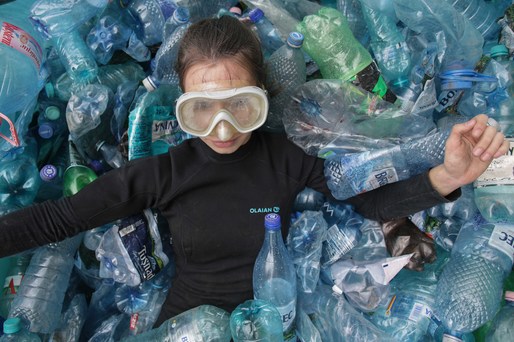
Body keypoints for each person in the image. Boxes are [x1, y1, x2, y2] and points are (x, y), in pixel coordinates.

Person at [0, 16, 509, 327]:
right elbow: (57, 220)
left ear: (263, 99)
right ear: (182, 107)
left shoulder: (288, 157)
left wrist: (447, 177)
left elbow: (368, 204)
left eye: (239, 107)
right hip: (188, 326)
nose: (222, 129)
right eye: (203, 110)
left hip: (272, 322)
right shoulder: (163, 173)